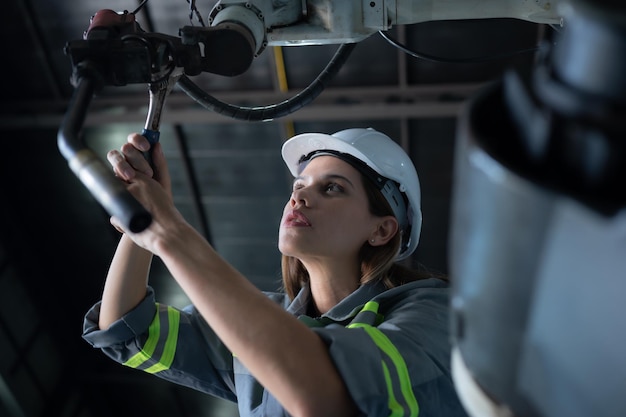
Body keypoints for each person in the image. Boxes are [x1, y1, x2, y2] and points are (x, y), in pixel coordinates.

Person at [82, 127, 468, 417]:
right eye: (300, 185)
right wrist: (142, 221)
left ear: (382, 230)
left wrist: (168, 233)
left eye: (332, 188)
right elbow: (128, 331)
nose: (299, 196)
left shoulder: (433, 313)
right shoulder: (261, 323)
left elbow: (327, 396)